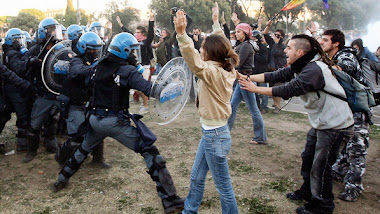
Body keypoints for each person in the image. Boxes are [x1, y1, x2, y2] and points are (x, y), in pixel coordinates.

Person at [51, 32, 184, 214]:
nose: (133, 56)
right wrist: (174, 89)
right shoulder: (126, 71)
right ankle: (170, 201)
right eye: (131, 52)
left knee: (82, 149)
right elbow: (151, 91)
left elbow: (84, 80)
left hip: (94, 119)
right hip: (113, 122)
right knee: (152, 154)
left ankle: (61, 179)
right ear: (124, 51)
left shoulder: (97, 67)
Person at [238, 34, 354, 214]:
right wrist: (249, 77)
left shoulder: (314, 69)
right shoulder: (302, 64)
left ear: (300, 52)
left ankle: (323, 206)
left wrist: (255, 88)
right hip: (323, 122)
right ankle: (308, 191)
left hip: (336, 124)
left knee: (321, 167)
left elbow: (289, 89)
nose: (285, 50)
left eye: (289, 48)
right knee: (308, 156)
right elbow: (278, 74)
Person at [174, 4, 239, 213]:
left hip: (215, 137)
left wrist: (182, 35)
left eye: (203, 48)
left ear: (210, 53)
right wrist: (216, 23)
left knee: (223, 187)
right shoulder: (226, 66)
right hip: (212, 134)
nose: (200, 50)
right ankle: (189, 210)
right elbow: (224, 45)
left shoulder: (212, 72)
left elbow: (194, 62)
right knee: (197, 176)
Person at [320, 29, 371, 202]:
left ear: (336, 44)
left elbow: (343, 68)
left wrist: (329, 66)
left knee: (357, 149)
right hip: (346, 110)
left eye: (325, 40)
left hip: (357, 110)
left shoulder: (345, 57)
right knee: (344, 143)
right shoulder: (334, 57)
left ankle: (354, 186)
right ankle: (340, 171)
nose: (322, 42)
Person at [56, 32, 111, 168]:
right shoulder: (75, 60)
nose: (94, 52)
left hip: (90, 103)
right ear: (83, 48)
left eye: (96, 49)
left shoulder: (95, 62)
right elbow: (77, 71)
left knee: (98, 130)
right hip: (75, 104)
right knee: (78, 136)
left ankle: (98, 160)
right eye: (91, 49)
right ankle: (62, 159)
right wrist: (98, 67)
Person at [22, 17, 63, 163]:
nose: (53, 33)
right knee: (35, 124)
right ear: (42, 32)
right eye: (50, 30)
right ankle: (31, 151)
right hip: (42, 92)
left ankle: (50, 143)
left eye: (55, 30)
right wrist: (30, 63)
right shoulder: (34, 50)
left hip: (56, 91)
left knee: (54, 119)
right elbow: (22, 67)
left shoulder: (60, 49)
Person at [227, 22, 267, 145]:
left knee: (253, 108)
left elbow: (237, 63)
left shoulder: (245, 46)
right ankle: (226, 132)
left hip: (245, 78)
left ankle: (260, 137)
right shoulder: (243, 45)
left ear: (245, 33)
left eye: (238, 32)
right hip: (242, 79)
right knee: (233, 106)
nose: (236, 34)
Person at [2, 28, 36, 152]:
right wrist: (28, 57)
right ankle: (22, 143)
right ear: (11, 40)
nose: (20, 42)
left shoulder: (10, 52)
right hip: (14, 88)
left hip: (12, 87)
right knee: (22, 115)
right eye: (17, 39)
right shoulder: (12, 53)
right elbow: (19, 68)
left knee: (6, 114)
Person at [116, 14, 154, 114]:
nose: (136, 34)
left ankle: (145, 105)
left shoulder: (146, 42)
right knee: (136, 88)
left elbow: (151, 34)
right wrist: (121, 24)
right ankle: (145, 102)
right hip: (137, 67)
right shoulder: (134, 42)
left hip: (145, 68)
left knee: (142, 87)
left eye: (138, 32)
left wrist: (151, 21)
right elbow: (128, 32)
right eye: (136, 32)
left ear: (143, 34)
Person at [262, 20, 287, 114]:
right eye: (275, 34)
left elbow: (279, 55)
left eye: (278, 35)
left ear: (282, 37)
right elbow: (265, 34)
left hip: (279, 69)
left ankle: (277, 106)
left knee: (277, 89)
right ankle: (276, 104)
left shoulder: (283, 47)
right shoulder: (273, 44)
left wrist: (277, 43)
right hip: (271, 69)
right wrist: (268, 26)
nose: (276, 36)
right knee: (272, 89)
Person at [252, 30, 269, 113]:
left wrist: (256, 55)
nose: (253, 40)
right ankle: (257, 105)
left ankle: (264, 106)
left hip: (262, 71)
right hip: (254, 71)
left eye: (255, 38)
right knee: (254, 90)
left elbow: (264, 59)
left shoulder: (263, 48)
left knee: (263, 90)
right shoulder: (252, 47)